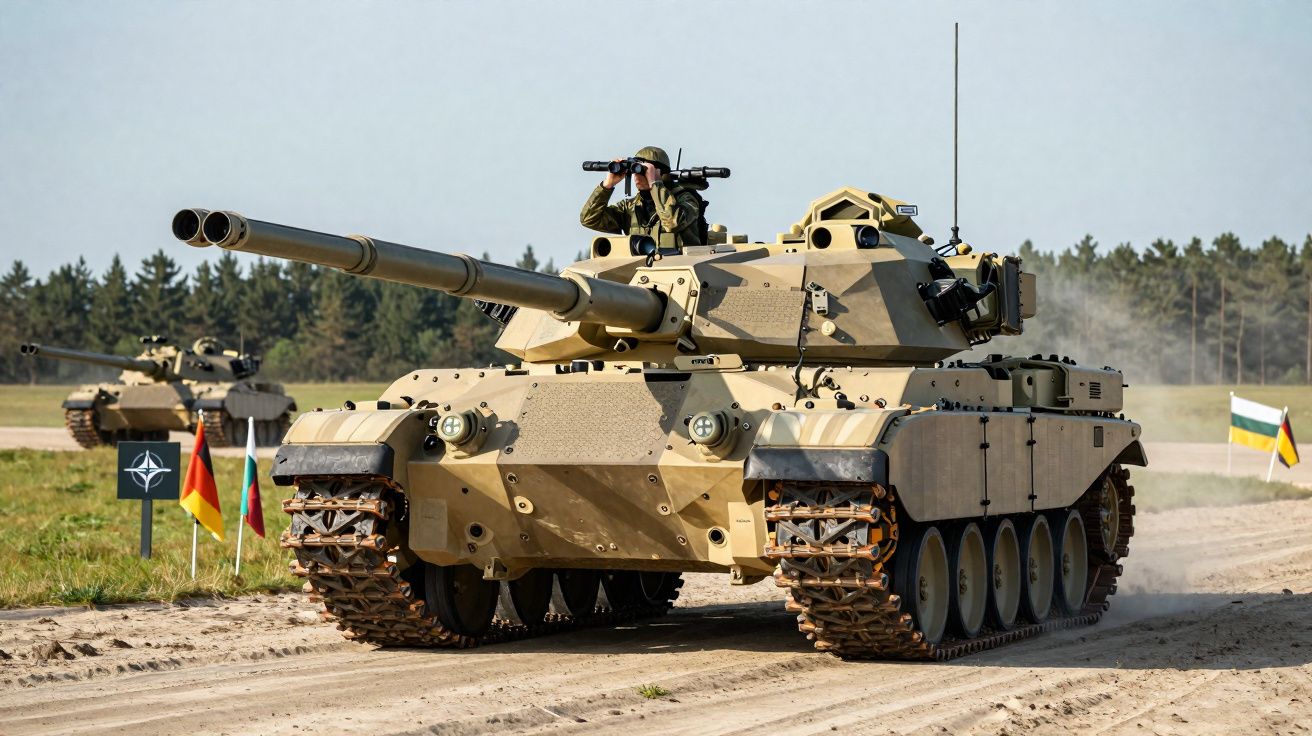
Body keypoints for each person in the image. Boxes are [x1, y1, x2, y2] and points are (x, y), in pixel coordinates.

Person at [580, 146, 706, 247]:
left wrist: (655, 184)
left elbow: (672, 223)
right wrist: (607, 186)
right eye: (634, 171)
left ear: (660, 173)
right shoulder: (629, 207)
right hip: (642, 269)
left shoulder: (687, 199)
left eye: (641, 171)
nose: (636, 176)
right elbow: (589, 219)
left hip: (678, 267)